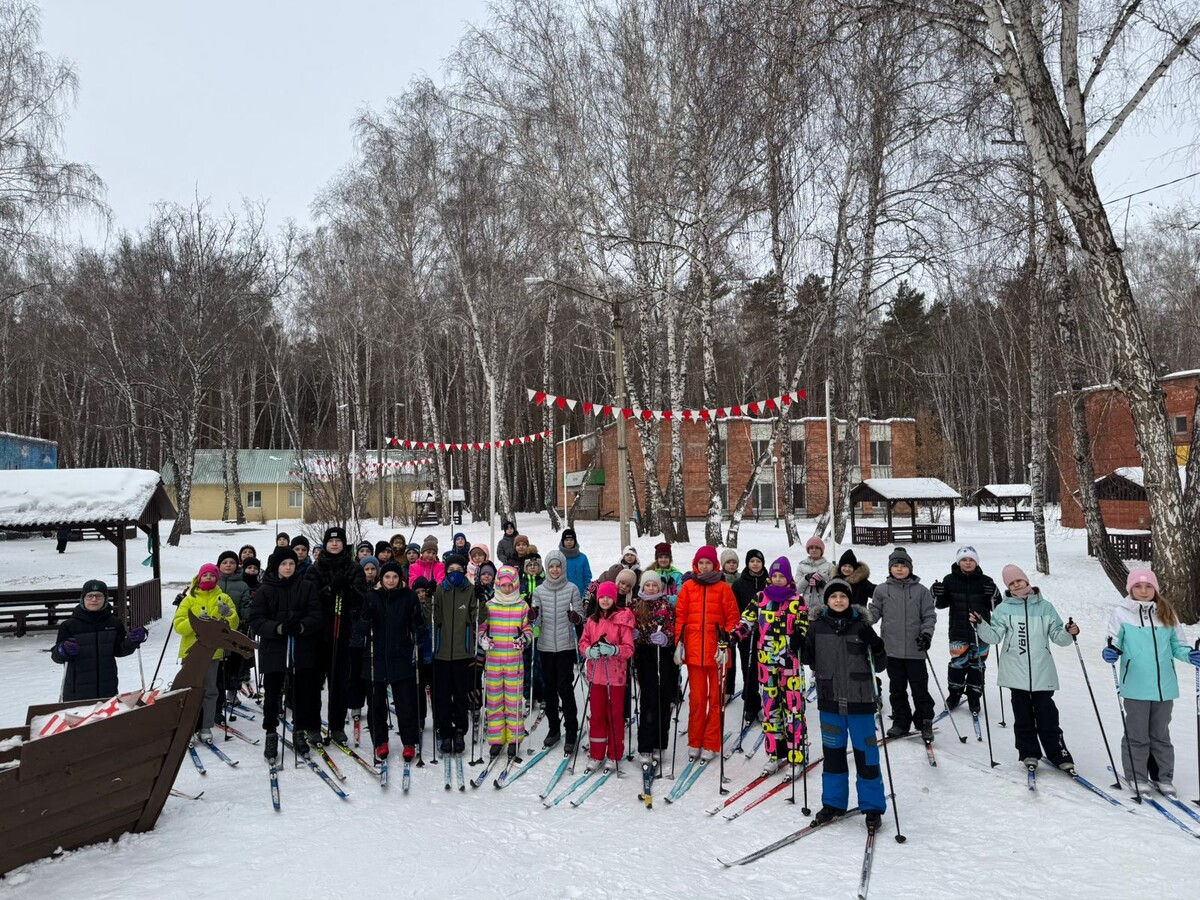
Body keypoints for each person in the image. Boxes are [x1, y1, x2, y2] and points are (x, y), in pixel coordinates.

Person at [794, 578, 888, 830]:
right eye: (833, 597)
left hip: (861, 701)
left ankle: (872, 807)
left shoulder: (862, 625)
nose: (838, 600)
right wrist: (798, 647)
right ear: (826, 600)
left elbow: (879, 664)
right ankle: (834, 803)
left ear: (849, 600)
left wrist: (876, 644)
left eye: (843, 597)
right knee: (833, 757)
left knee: (867, 757)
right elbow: (809, 660)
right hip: (830, 701)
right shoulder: (817, 627)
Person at [973, 564, 1079, 773]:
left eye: (1019, 580)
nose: (1016, 585)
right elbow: (994, 637)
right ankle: (1028, 752)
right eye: (1011, 583)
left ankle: (1059, 754)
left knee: (1047, 715)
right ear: (1008, 587)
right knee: (1023, 716)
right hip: (1015, 672)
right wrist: (980, 624)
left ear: (1027, 581)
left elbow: (1059, 637)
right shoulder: (1003, 608)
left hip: (1042, 671)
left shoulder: (1045, 607)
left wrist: (1069, 631)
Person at [1103, 568, 1200, 796]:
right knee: (1137, 734)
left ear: (1155, 589)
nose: (1144, 591)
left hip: (1164, 688)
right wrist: (1111, 651)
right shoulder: (1122, 613)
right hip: (1135, 685)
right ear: (1130, 589)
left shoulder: (1166, 612)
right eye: (1138, 586)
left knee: (1161, 735)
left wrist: (1190, 655)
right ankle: (1137, 776)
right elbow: (1113, 641)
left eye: (1148, 587)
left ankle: (1162, 777)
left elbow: (1178, 645)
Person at [730, 557, 806, 774]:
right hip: (766, 664)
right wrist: (735, 635)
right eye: (775, 576)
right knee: (771, 710)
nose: (778, 579)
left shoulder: (796, 599)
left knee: (792, 710)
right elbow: (747, 620)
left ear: (788, 577)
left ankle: (797, 756)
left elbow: (803, 623)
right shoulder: (760, 598)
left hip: (789, 663)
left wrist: (800, 635)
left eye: (782, 576)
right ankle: (775, 754)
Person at [247, 547, 323, 761]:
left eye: (291, 563)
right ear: (276, 567)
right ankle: (271, 733)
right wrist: (277, 628)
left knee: (301, 693)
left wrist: (301, 627)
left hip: (301, 648)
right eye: (283, 564)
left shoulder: (306, 587)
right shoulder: (265, 589)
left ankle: (299, 730)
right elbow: (256, 619)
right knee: (272, 694)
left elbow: (316, 616)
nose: (288, 567)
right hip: (274, 649)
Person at [674, 546, 740, 761]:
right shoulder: (688, 587)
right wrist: (679, 644)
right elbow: (680, 618)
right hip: (693, 652)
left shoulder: (723, 588)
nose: (704, 566)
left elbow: (732, 619)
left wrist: (726, 643)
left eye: (708, 563)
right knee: (697, 699)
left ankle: (711, 742)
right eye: (701, 562)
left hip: (716, 653)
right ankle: (695, 740)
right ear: (696, 564)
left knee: (716, 700)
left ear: (715, 565)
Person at [306, 526, 367, 746]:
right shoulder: (315, 569)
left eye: (338, 541)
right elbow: (310, 598)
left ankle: (337, 726)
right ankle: (313, 727)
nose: (334, 544)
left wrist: (347, 590)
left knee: (339, 682)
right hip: (319, 634)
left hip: (343, 632)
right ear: (325, 544)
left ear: (343, 544)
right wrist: (330, 588)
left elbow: (362, 598)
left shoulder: (353, 568)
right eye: (330, 541)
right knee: (314, 683)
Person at [868, 547, 937, 742]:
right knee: (897, 689)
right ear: (890, 568)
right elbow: (874, 613)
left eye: (903, 566)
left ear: (910, 568)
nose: (899, 569)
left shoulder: (921, 591)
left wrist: (926, 635)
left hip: (916, 649)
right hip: (892, 649)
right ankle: (900, 721)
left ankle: (924, 720)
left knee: (919, 688)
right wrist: (861, 618)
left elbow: (929, 616)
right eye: (895, 566)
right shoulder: (881, 589)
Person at [362, 561, 426, 764]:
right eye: (387, 577)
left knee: (406, 703)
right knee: (376, 704)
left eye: (395, 577)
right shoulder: (372, 596)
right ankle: (380, 741)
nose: (391, 581)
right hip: (376, 657)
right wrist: (366, 618)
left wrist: (418, 625)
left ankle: (409, 742)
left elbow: (419, 626)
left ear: (400, 579)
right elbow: (360, 629)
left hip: (401, 656)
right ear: (382, 578)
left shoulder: (409, 597)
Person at [930, 545, 1001, 713]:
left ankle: (974, 696)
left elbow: (996, 607)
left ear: (976, 562)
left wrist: (995, 594)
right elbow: (940, 604)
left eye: (971, 560)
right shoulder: (949, 580)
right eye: (964, 560)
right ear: (958, 562)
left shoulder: (986, 581)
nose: (968, 563)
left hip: (981, 633)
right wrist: (936, 593)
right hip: (958, 631)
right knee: (957, 665)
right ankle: (954, 694)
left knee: (977, 665)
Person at [173, 563, 239, 743]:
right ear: (199, 577)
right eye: (205, 575)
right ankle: (189, 727)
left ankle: (205, 726)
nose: (208, 578)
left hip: (213, 654)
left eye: (212, 575)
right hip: (191, 653)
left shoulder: (223, 597)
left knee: (210, 691)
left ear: (217, 578)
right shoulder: (189, 599)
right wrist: (195, 624)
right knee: (190, 691)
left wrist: (229, 615)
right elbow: (178, 626)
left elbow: (233, 625)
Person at [51, 579, 146, 702]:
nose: (94, 599)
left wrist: (133, 641)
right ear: (83, 599)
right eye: (90, 596)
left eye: (99, 596)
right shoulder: (69, 625)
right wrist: (62, 649)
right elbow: (56, 656)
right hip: (76, 692)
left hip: (107, 689)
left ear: (105, 599)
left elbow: (119, 650)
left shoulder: (114, 623)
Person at [478, 565, 533, 758]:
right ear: (498, 585)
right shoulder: (490, 605)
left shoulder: (522, 606)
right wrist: (483, 639)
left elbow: (528, 630)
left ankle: (514, 737)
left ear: (516, 585)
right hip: (493, 661)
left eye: (510, 585)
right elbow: (482, 628)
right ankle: (496, 738)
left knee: (513, 700)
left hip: (514, 663)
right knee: (494, 700)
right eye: (503, 585)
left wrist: (524, 639)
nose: (507, 589)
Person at [531, 549, 583, 751]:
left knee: (565, 687)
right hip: (545, 646)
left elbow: (580, 616)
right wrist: (533, 615)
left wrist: (576, 618)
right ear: (547, 567)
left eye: (557, 566)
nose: (554, 570)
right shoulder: (539, 591)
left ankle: (571, 729)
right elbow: (537, 623)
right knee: (549, 689)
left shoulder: (571, 589)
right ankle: (553, 729)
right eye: (551, 566)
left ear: (563, 567)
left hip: (565, 646)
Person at [579, 581, 635, 767]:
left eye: (608, 597)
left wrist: (614, 650)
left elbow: (628, 649)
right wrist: (588, 651)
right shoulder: (591, 621)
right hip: (596, 676)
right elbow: (583, 643)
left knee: (614, 715)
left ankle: (614, 753)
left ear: (614, 598)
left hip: (616, 676)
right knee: (597, 715)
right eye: (602, 596)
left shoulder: (622, 619)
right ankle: (596, 754)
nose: (604, 600)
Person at [431, 554, 480, 754]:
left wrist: (481, 598)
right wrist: (428, 600)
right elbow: (432, 618)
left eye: (458, 570)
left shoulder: (469, 590)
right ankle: (445, 731)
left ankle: (459, 730)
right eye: (451, 571)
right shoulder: (440, 590)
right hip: (441, 654)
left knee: (461, 694)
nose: (455, 574)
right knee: (442, 696)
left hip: (463, 653)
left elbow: (479, 617)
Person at [631, 569, 677, 766]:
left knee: (663, 698)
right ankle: (646, 746)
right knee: (648, 699)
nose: (651, 588)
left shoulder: (667, 604)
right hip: (645, 654)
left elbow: (674, 627)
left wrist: (666, 637)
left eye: (654, 585)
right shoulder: (635, 604)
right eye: (647, 585)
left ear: (660, 586)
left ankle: (660, 743)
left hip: (663, 654)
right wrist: (633, 635)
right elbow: (627, 626)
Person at [731, 549, 768, 721]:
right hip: (746, 634)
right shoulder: (738, 584)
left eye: (758, 561)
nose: (755, 564)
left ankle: (768, 703)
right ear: (747, 563)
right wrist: (743, 625)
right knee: (749, 669)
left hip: (766, 634)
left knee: (766, 669)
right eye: (752, 561)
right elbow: (735, 608)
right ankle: (751, 705)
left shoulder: (769, 583)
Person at [347, 555, 380, 736]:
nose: (369, 572)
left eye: (372, 569)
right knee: (355, 673)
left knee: (371, 674)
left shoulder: (380, 588)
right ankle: (355, 705)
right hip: (356, 638)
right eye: (366, 569)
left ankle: (372, 704)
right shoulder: (355, 588)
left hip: (373, 640)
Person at [216, 550, 253, 707]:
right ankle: (218, 696)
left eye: (231, 562)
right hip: (216, 630)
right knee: (218, 664)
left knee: (234, 662)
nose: (228, 565)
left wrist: (247, 613)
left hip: (235, 628)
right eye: (225, 562)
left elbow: (245, 603)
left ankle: (232, 691)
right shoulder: (214, 583)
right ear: (219, 565)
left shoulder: (242, 584)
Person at [411, 576, 436, 737]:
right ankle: (419, 719)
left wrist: (429, 600)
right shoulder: (412, 607)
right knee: (418, 689)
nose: (421, 595)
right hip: (417, 654)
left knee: (434, 688)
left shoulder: (432, 606)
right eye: (418, 592)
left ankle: (438, 718)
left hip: (431, 654)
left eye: (423, 592)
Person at [521, 552, 545, 709]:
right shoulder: (521, 581)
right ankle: (528, 694)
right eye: (529, 565)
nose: (532, 568)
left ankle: (542, 694)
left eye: (535, 565)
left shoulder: (544, 581)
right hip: (525, 628)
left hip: (541, 628)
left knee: (540, 664)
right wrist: (525, 598)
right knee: (526, 662)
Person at [795, 536, 836, 607]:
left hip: (825, 606)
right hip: (806, 607)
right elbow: (797, 590)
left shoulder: (830, 567)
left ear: (821, 550)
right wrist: (806, 579)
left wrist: (822, 583)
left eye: (817, 547)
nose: (814, 550)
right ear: (808, 550)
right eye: (811, 548)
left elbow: (834, 589)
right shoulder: (801, 566)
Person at [560, 528, 592, 605]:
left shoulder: (582, 558)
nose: (569, 542)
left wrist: (585, 595)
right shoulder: (558, 557)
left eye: (571, 539)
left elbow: (587, 577)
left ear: (575, 541)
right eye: (566, 540)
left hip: (579, 596)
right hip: (561, 597)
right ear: (563, 541)